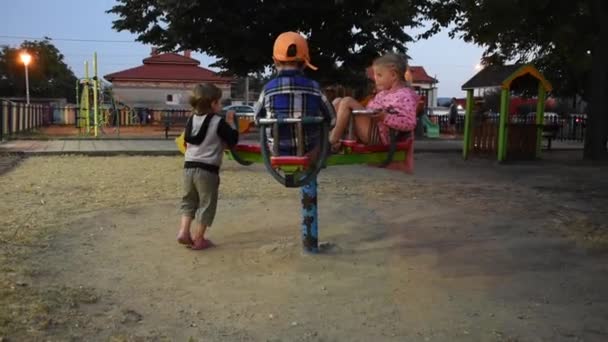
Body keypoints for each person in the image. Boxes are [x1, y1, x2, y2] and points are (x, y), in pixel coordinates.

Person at [176, 83, 239, 250]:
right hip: (208, 170)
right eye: (219, 102)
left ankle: (183, 231)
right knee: (206, 203)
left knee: (189, 200)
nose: (220, 105)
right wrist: (231, 122)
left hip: (188, 167)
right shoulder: (219, 122)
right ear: (212, 104)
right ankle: (199, 239)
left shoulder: (191, 120)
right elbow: (232, 140)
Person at [254, 31, 336, 157]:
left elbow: (257, 119)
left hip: (277, 151)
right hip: (310, 150)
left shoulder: (268, 89)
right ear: (304, 63)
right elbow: (332, 119)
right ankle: (311, 172)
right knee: (324, 140)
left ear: (275, 61)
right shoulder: (315, 87)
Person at [328, 53, 419, 151]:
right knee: (338, 101)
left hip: (380, 136)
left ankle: (331, 140)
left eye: (379, 75)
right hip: (371, 130)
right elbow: (368, 111)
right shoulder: (383, 94)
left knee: (347, 101)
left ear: (393, 75)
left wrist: (385, 117)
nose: (375, 79)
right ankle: (330, 136)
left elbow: (410, 123)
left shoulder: (405, 95)